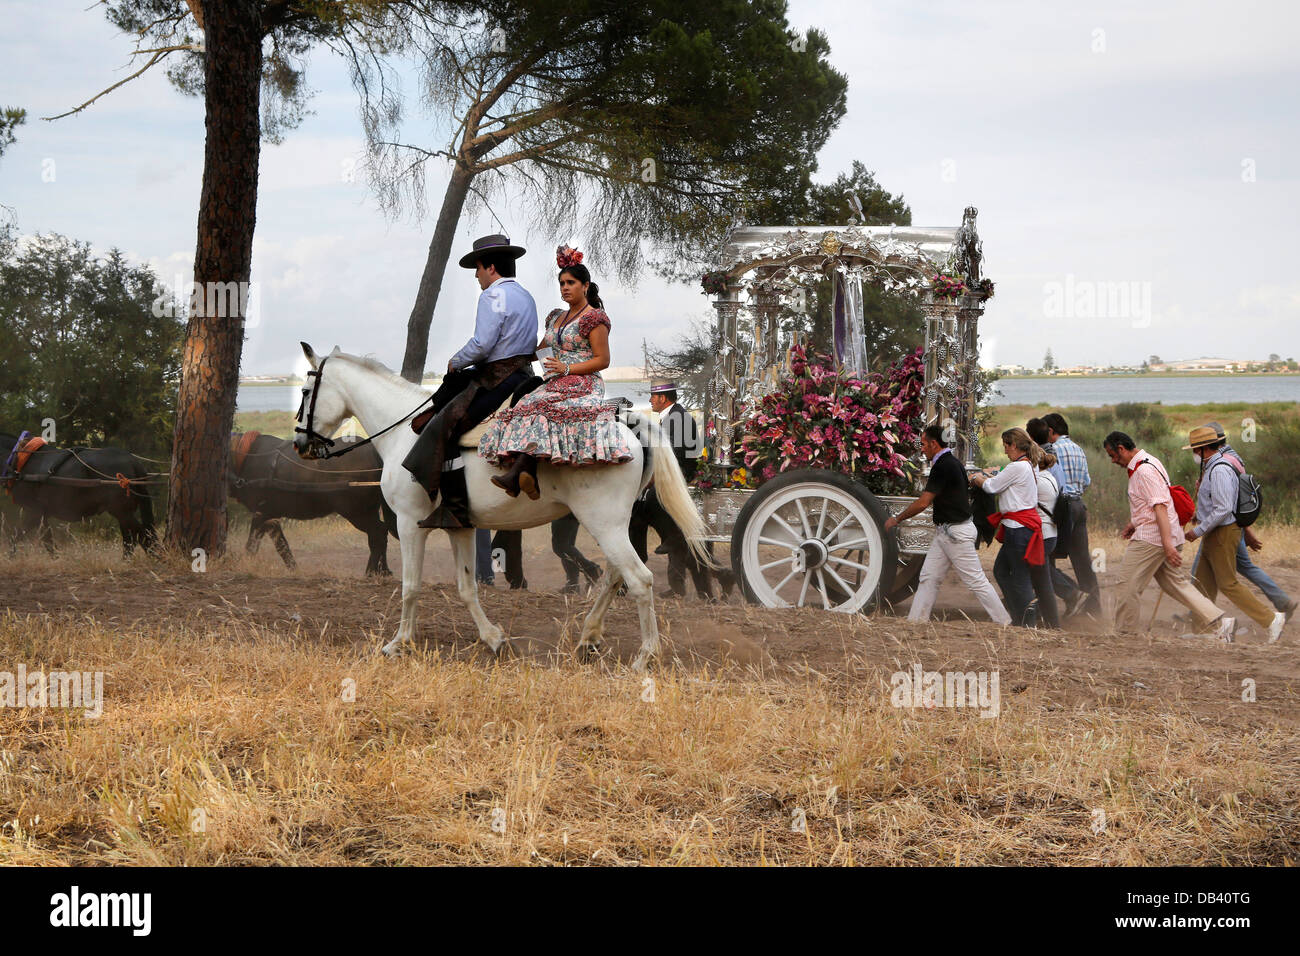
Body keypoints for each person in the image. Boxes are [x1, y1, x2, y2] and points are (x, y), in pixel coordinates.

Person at [401, 234, 539, 529]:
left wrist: (456, 360)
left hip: (498, 379)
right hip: (523, 376)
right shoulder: (526, 296)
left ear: (490, 267)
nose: (476, 276)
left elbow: (483, 344)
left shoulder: (491, 295)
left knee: (446, 426)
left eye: (477, 269)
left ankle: (455, 509)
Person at [478, 245, 635, 497]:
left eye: (571, 282)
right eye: (561, 282)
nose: (564, 287)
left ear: (585, 286)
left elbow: (603, 360)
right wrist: (506, 347)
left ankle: (521, 473)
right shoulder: (556, 318)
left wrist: (567, 367)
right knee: (525, 403)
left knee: (541, 406)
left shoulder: (594, 318)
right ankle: (524, 472)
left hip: (584, 381)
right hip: (555, 382)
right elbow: (541, 349)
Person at [1102, 431, 1234, 640]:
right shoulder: (1150, 461)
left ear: (1121, 449)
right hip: (1163, 534)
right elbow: (1152, 505)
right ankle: (1219, 622)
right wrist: (1134, 523)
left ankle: (1125, 634)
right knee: (1175, 583)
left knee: (1126, 584)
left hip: (1152, 539)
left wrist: (1167, 544)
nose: (1113, 461)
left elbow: (1161, 507)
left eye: (1113, 455)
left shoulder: (1143, 471)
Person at [885, 423, 1011, 625]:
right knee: (928, 577)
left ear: (934, 444)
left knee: (976, 581)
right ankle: (916, 621)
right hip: (948, 532)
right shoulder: (953, 462)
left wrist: (897, 519)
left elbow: (924, 502)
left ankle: (1004, 621)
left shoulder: (942, 466)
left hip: (955, 533)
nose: (922, 448)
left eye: (924, 444)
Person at [1183, 425, 1286, 642]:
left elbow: (1223, 509)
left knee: (1227, 583)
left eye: (1194, 450)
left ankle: (1270, 620)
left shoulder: (1219, 469)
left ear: (1203, 450)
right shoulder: (1213, 466)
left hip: (1222, 532)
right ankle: (1205, 629)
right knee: (1201, 584)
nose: (1193, 454)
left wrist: (1197, 531)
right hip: (1215, 532)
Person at [629, 381, 713, 599]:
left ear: (663, 398)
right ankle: (676, 581)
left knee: (649, 503)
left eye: (653, 397)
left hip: (680, 476)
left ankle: (666, 542)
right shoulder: (672, 416)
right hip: (673, 473)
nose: (649, 400)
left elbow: (674, 454)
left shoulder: (679, 417)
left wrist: (653, 477)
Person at [970, 427, 1059, 628]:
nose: (1005, 451)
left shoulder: (1017, 467)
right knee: (1003, 571)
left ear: (1015, 445)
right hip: (1020, 527)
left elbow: (992, 487)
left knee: (1018, 576)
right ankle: (1021, 614)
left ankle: (1027, 619)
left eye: (1006, 446)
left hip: (1018, 529)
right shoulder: (1028, 465)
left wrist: (977, 478)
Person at [1041, 412, 1102, 616]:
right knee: (1082, 561)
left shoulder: (1051, 450)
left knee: (1045, 557)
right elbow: (1086, 482)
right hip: (1078, 506)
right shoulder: (1078, 449)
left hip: (1061, 507)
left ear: (1050, 431)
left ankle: (1060, 600)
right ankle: (1093, 610)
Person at [552, 514, 602, 594]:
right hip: (572, 510)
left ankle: (591, 569)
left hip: (563, 509)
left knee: (560, 546)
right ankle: (573, 584)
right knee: (567, 545)